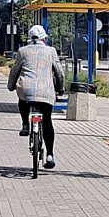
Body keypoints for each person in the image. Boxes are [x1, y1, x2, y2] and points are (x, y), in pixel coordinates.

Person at [7, 25, 65, 169]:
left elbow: (15, 70)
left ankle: (25, 124)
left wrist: (11, 86)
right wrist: (60, 89)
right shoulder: (51, 51)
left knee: (22, 100)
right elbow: (59, 72)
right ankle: (50, 155)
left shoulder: (23, 51)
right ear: (44, 38)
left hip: (26, 90)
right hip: (46, 91)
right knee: (47, 121)